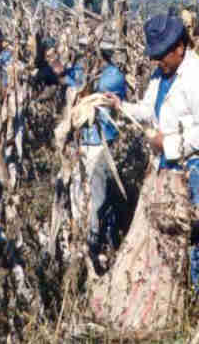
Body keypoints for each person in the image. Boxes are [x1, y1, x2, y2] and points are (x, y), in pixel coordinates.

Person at [104, 13, 199, 307]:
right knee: (166, 239)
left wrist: (167, 144)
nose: (159, 61)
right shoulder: (160, 76)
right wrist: (121, 106)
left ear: (180, 47)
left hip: (197, 169)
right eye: (155, 55)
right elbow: (148, 109)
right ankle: (172, 305)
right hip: (165, 170)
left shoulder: (198, 79)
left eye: (162, 55)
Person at [44, 39, 127, 268]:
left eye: (89, 51)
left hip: (100, 145)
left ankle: (94, 247)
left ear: (100, 53)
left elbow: (86, 89)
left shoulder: (113, 76)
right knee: (77, 195)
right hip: (80, 145)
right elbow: (64, 78)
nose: (84, 55)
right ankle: (79, 246)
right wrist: (53, 65)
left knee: (96, 200)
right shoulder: (83, 69)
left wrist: (69, 77)